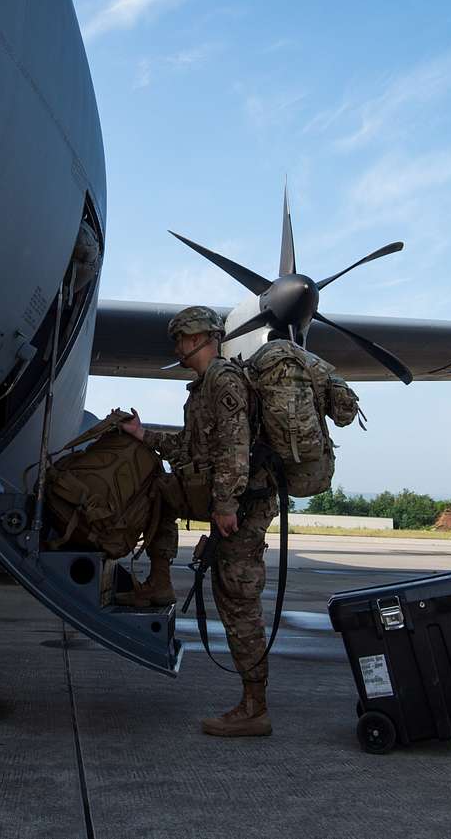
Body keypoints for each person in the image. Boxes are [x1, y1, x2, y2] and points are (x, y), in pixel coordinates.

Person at [121, 305, 276, 737]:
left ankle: (254, 707)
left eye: (179, 340)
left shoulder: (224, 381)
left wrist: (225, 505)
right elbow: (187, 447)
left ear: (195, 339)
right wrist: (142, 435)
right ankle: (158, 580)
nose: (176, 348)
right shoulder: (202, 388)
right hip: (224, 498)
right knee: (157, 490)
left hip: (242, 506)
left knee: (237, 599)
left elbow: (235, 448)